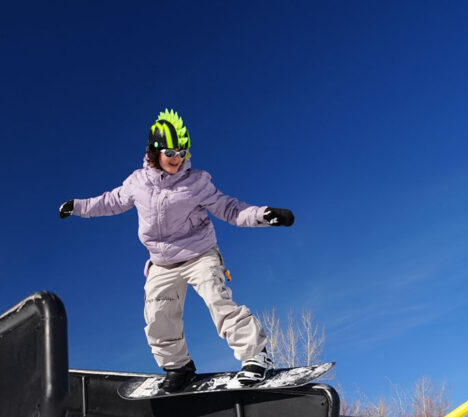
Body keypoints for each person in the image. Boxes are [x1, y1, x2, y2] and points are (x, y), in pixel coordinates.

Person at [59, 108, 295, 391]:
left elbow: (230, 209)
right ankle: (179, 368)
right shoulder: (138, 183)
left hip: (199, 254)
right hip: (161, 262)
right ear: (154, 151)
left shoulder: (196, 183)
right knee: (158, 318)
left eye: (182, 152)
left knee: (217, 300)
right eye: (170, 152)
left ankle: (256, 357)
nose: (177, 158)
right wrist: (78, 206)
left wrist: (264, 214)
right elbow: (110, 201)